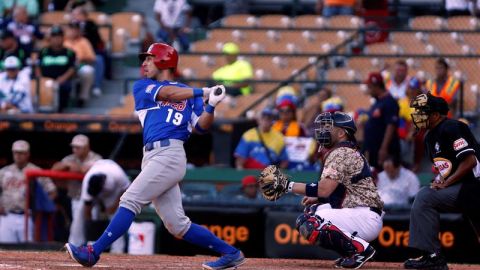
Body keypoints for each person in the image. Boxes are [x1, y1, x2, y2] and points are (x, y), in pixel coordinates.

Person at [65, 43, 246, 269]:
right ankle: (231, 253)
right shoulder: (143, 86)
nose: (144, 63)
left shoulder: (189, 96)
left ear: (163, 60)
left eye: (149, 59)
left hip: (170, 154)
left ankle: (93, 251)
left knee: (129, 200)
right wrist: (204, 92)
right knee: (177, 225)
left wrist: (210, 106)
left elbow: (201, 127)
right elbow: (169, 92)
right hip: (152, 155)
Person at [271, 111, 384, 268]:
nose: (322, 130)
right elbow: (342, 188)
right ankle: (350, 252)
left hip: (364, 216)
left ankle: (361, 250)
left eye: (327, 126)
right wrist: (319, 198)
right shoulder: (345, 150)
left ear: (341, 132)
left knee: (311, 223)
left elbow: (324, 189)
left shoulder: (342, 152)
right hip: (360, 211)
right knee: (313, 210)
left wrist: (287, 186)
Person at [404, 93, 480, 270]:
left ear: (436, 115)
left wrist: (447, 182)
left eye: (423, 111)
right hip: (465, 188)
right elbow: (447, 168)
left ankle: (433, 257)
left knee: (424, 197)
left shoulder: (452, 127)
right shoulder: (430, 137)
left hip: (474, 185)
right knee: (426, 194)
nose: (418, 115)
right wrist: (439, 180)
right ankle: (432, 256)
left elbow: (470, 161)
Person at [0, 140, 57, 243]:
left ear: (27, 154)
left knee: (28, 251)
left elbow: (52, 191)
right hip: (6, 216)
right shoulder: (4, 171)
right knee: (4, 251)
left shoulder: (36, 171)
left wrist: (42, 208)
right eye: (16, 152)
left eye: (21, 153)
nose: (18, 155)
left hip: (28, 217)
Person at [69, 159, 130, 253]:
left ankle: (118, 250)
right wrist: (90, 228)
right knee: (79, 212)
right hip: (98, 174)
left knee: (116, 216)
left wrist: (115, 205)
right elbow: (87, 207)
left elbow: (126, 189)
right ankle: (75, 245)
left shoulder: (117, 174)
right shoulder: (88, 181)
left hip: (114, 192)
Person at [52, 134, 102, 240]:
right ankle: (75, 248)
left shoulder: (96, 158)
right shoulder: (70, 158)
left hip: (93, 200)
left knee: (91, 226)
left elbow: (84, 169)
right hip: (76, 198)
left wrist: (76, 167)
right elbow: (55, 168)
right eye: (74, 147)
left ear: (87, 147)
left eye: (78, 147)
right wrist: (67, 165)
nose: (75, 150)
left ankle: (92, 248)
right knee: (76, 228)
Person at [363, 72, 400, 170]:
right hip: (374, 150)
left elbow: (391, 126)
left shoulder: (389, 101)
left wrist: (384, 148)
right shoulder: (378, 101)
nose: (368, 90)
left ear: (376, 86)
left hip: (384, 150)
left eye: (370, 87)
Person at [36, 25, 76, 112]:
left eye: (59, 37)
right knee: (36, 86)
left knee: (65, 86)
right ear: (50, 38)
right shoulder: (44, 51)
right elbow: (37, 66)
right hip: (45, 79)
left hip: (62, 79)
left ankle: (60, 112)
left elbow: (72, 68)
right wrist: (41, 79)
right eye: (54, 37)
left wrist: (62, 78)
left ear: (63, 38)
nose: (56, 39)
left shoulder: (69, 52)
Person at [70, 6, 105, 97]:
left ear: (83, 15)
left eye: (76, 14)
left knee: (98, 60)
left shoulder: (91, 25)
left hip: (91, 50)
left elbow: (97, 40)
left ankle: (96, 86)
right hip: (72, 57)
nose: (74, 16)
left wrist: (83, 35)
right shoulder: (70, 26)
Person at [63, 22, 95, 107]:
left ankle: (82, 97)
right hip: (64, 67)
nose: (73, 31)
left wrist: (80, 59)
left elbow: (92, 58)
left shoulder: (84, 41)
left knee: (88, 71)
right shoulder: (62, 40)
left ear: (78, 31)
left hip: (79, 65)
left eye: (75, 29)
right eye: (71, 29)